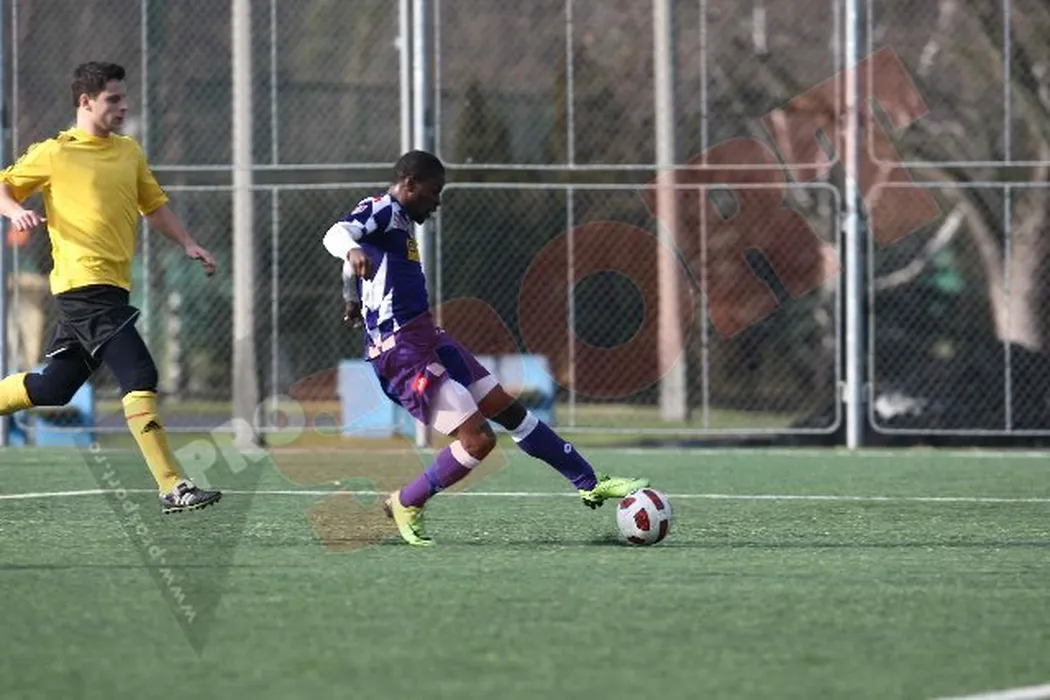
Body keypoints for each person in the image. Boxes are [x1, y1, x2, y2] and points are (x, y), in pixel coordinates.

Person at [323, 149, 649, 546]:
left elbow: (360, 257)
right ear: (409, 184)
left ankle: (589, 482)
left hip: (428, 336)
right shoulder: (383, 209)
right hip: (401, 354)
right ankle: (407, 501)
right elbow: (337, 234)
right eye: (433, 192)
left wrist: (351, 296)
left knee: (508, 409)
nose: (437, 202)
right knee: (478, 440)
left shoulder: (400, 221)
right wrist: (350, 251)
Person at [0, 61, 222, 514]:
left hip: (111, 290)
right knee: (140, 375)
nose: (123, 107)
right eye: (113, 99)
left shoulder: (129, 152)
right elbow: (3, 186)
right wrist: (14, 210)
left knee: (55, 387)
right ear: (85, 102)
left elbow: (153, 206)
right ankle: (172, 486)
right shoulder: (55, 153)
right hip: (83, 287)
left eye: (124, 98)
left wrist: (187, 242)